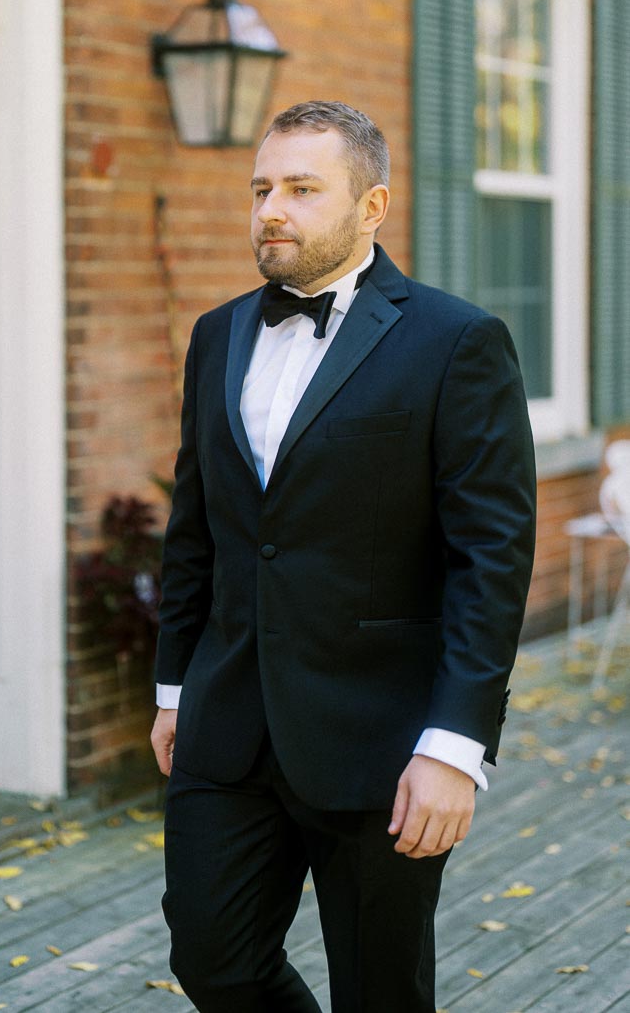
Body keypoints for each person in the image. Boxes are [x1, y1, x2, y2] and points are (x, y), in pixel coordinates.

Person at [150, 100, 536, 1013]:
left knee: (381, 992)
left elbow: (492, 556)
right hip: (229, 722)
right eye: (261, 189)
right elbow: (195, 527)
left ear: (373, 207)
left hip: (384, 739)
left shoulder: (457, 342)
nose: (270, 210)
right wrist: (175, 688)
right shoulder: (218, 334)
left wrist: (455, 745)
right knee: (214, 960)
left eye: (300, 189)